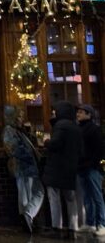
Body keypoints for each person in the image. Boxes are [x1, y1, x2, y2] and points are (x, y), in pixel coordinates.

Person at [43, 101, 82, 239]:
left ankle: (57, 227)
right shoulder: (76, 127)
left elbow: (55, 144)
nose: (53, 113)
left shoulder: (60, 126)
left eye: (55, 111)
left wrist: (46, 142)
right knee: (70, 199)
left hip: (56, 168)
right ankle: (73, 228)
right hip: (71, 168)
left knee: (54, 198)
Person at [2, 106, 44, 233]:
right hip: (24, 167)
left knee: (27, 195)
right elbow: (15, 149)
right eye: (19, 116)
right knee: (34, 193)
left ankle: (27, 220)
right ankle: (28, 215)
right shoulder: (10, 131)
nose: (21, 119)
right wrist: (31, 156)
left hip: (26, 167)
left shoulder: (18, 131)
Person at [77, 104, 105, 235]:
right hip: (82, 167)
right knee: (87, 197)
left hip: (92, 168)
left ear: (89, 115)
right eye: (78, 112)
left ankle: (102, 224)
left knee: (96, 196)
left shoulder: (94, 129)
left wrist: (93, 164)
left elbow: (99, 148)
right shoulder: (79, 128)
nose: (78, 114)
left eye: (81, 112)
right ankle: (90, 223)